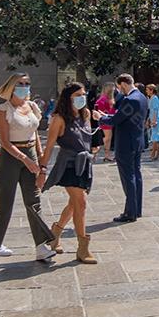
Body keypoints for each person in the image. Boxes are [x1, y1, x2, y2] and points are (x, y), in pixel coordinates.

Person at [0, 73, 56, 262]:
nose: (24, 86)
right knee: (4, 202)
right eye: (20, 83)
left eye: (27, 83)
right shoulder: (3, 110)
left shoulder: (32, 106)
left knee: (34, 200)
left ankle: (41, 246)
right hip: (11, 158)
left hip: (30, 153)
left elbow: (35, 134)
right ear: (11, 86)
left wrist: (41, 164)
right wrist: (25, 159)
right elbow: (5, 142)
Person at [41, 82, 98, 264]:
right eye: (77, 95)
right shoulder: (59, 119)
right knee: (81, 203)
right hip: (69, 165)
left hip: (84, 163)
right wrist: (42, 169)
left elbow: (87, 138)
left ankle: (55, 232)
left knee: (74, 204)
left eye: (83, 94)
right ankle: (83, 248)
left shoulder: (86, 114)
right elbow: (49, 146)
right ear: (68, 98)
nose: (82, 98)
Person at [109, 74, 147, 223]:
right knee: (136, 175)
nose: (120, 91)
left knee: (128, 177)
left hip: (126, 143)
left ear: (124, 84)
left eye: (119, 87)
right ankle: (136, 209)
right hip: (137, 141)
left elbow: (116, 119)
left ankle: (130, 212)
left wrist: (100, 117)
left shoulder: (130, 100)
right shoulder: (142, 97)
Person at [94, 85, 116, 162]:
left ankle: (101, 154)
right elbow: (100, 110)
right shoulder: (104, 99)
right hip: (106, 121)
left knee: (106, 138)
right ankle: (106, 155)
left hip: (107, 120)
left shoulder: (104, 98)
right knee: (107, 138)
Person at [146, 84, 159, 161]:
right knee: (156, 136)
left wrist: (154, 120)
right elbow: (151, 110)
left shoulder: (155, 98)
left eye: (147, 90)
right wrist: (148, 119)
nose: (146, 91)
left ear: (151, 90)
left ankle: (153, 154)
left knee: (154, 136)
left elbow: (156, 110)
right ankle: (158, 153)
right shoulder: (151, 98)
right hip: (153, 117)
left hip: (156, 118)